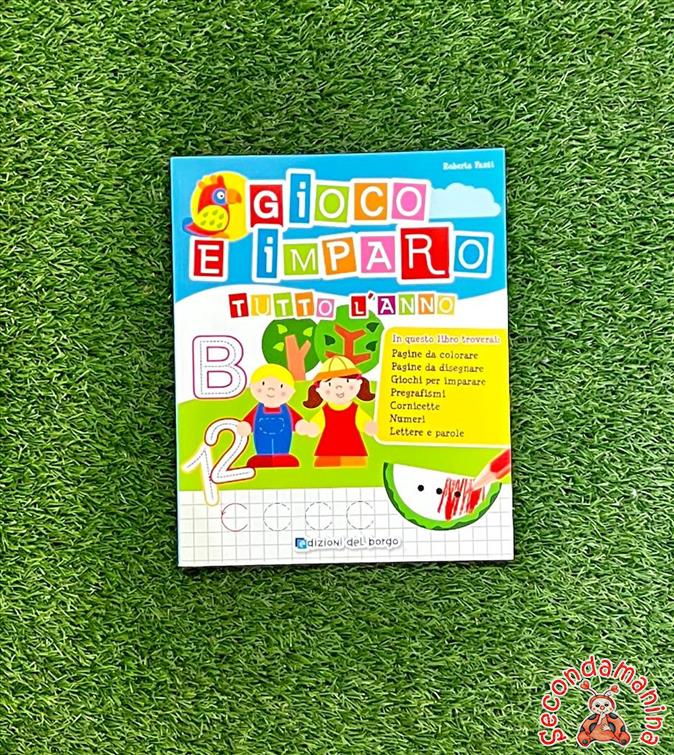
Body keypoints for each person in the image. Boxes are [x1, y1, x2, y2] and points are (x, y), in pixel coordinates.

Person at [301, 356, 378, 467]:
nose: (339, 388)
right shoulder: (324, 411)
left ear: (359, 383)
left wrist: (369, 426)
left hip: (353, 449)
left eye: (347, 381)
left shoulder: (355, 410)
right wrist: (310, 428)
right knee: (325, 466)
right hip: (328, 449)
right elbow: (316, 425)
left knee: (355, 467)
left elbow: (364, 423)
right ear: (319, 390)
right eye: (330, 384)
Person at [237, 364, 311, 468]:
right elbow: (249, 421)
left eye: (281, 386)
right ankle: (262, 459)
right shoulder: (257, 410)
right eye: (263, 383)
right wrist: (246, 426)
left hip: (282, 441)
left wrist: (302, 426)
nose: (271, 390)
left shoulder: (288, 411)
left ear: (291, 391)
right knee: (263, 446)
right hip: (262, 441)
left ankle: (283, 458)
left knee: (282, 446)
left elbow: (297, 422)